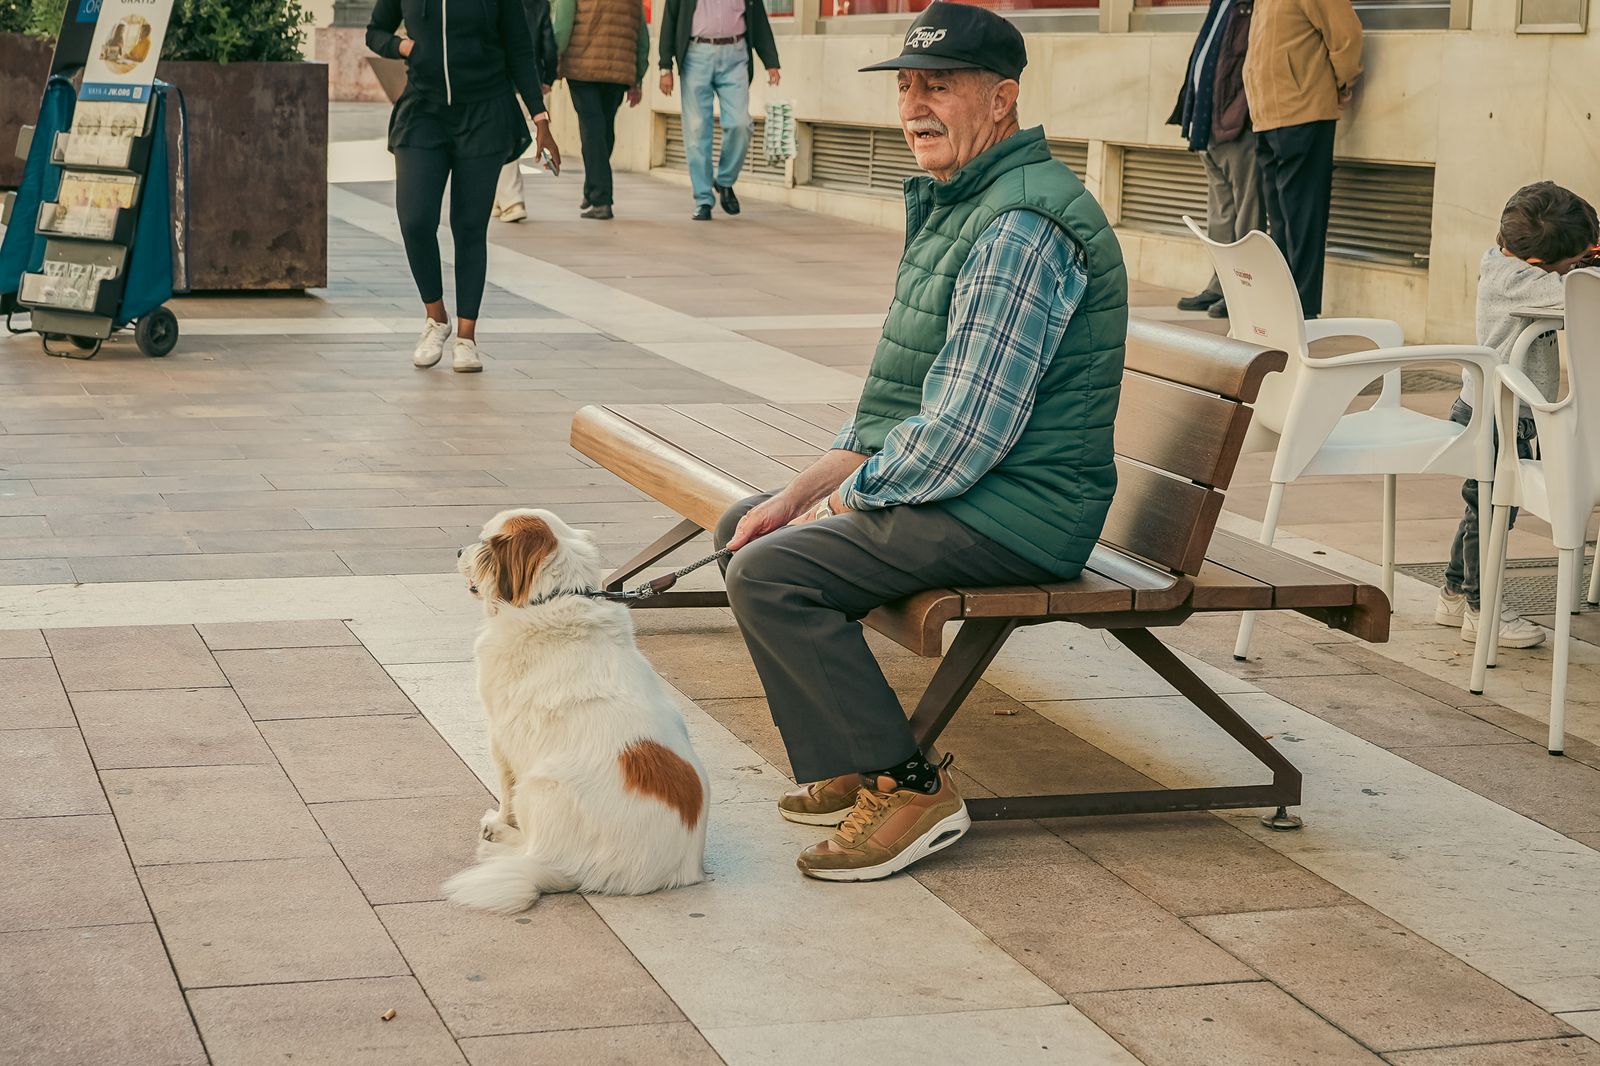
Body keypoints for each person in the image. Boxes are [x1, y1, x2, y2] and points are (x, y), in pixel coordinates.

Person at [712, 2, 1126, 882]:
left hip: (1020, 511)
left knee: (773, 572)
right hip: (981, 488)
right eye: (906, 87)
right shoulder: (962, 202)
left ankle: (910, 789)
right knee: (749, 526)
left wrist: (837, 504)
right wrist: (795, 496)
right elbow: (892, 414)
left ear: (1003, 100)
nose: (914, 107)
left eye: (939, 86)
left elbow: (965, 432)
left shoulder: (1020, 224)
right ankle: (862, 761)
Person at [1434, 182, 1599, 649]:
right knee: (1492, 511)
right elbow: (1577, 291)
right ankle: (1482, 610)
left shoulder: (1508, 261)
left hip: (1496, 409)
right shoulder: (1518, 281)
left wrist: (1582, 254)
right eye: (1577, 257)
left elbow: (1568, 274)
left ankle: (1453, 592)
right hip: (1494, 414)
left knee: (1482, 508)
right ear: (1539, 264)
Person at [367, 0, 561, 373]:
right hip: (423, 109)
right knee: (415, 218)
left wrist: (540, 117)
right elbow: (375, 32)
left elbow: (520, 48)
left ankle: (467, 339)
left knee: (470, 226)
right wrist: (403, 47)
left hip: (485, 111)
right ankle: (436, 318)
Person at [1242, 0, 1361, 319]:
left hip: (1303, 111)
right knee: (1280, 219)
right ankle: (1285, 305)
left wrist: (1343, 81)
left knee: (1302, 216)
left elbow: (1346, 34)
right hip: (1267, 115)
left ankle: (1303, 310)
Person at [1169, 0, 1261, 320]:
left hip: (1237, 125)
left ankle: (1245, 292)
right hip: (1209, 123)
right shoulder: (1222, 3)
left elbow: (1253, 63)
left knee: (1247, 213)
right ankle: (1221, 284)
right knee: (1220, 214)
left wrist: (1241, 112)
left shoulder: (1252, 4)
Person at [657, 0, 780, 221]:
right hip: (696, 55)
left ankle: (724, 181)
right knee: (696, 131)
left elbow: (759, 20)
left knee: (740, 124)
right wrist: (665, 66)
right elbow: (670, 20)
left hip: (735, 56)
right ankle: (703, 199)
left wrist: (771, 61)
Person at [550, 0, 650, 220]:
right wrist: (638, 77)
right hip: (618, 71)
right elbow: (642, 35)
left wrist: (552, 59)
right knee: (603, 130)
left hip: (582, 68)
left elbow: (562, 26)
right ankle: (592, 186)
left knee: (592, 130)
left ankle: (601, 198)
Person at [493, 0, 560, 225]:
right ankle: (499, 199)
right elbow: (549, 43)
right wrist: (548, 77)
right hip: (528, 81)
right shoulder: (538, 4)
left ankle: (512, 200)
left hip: (499, 80)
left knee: (503, 140)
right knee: (502, 139)